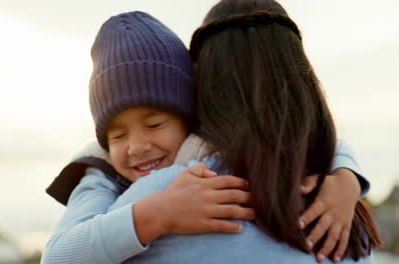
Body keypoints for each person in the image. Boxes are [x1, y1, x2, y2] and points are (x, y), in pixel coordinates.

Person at [42, 5, 379, 264]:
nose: (137, 146)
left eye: (155, 124)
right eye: (115, 137)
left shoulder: (168, 191)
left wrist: (345, 172)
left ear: (196, 108)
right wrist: (344, 172)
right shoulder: (347, 215)